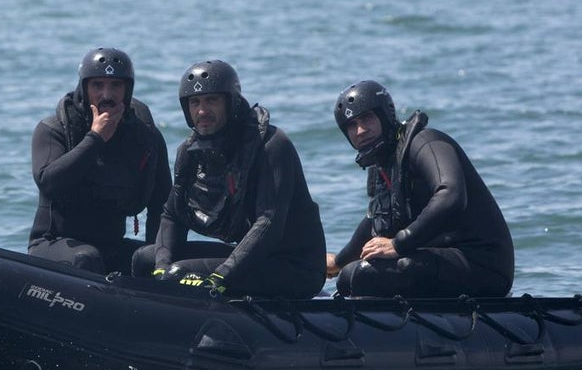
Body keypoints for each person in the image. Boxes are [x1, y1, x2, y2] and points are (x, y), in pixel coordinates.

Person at [132, 59, 326, 299]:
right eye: (195, 102)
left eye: (212, 100)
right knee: (145, 259)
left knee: (178, 273)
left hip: (294, 267)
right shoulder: (190, 151)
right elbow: (172, 215)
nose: (202, 111)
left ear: (231, 102)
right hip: (251, 259)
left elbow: (268, 223)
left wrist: (222, 275)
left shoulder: (272, 145)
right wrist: (161, 267)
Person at [327, 80, 513, 299]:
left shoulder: (424, 142)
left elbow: (450, 194)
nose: (360, 130)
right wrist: (338, 262)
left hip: (482, 265)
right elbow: (374, 222)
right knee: (348, 278)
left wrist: (399, 243)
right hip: (437, 261)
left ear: (385, 115)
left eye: (367, 118)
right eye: (351, 125)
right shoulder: (384, 167)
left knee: (362, 276)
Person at [29, 47, 171, 274]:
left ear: (127, 89)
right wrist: (95, 139)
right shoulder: (52, 130)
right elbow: (48, 183)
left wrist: (157, 264)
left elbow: (162, 207)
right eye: (98, 85)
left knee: (159, 259)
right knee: (87, 258)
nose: (107, 95)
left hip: (112, 247)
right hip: (54, 243)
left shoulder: (145, 137)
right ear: (84, 88)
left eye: (116, 85)